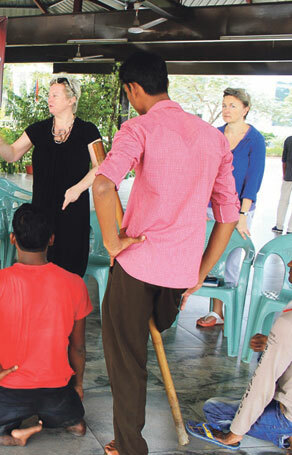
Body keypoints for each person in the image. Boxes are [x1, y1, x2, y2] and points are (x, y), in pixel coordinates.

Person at [92, 51, 239, 455]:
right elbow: (228, 214)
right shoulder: (214, 137)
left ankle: (129, 445)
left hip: (137, 266)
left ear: (132, 89)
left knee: (127, 359)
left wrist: (112, 242)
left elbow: (103, 187)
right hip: (178, 277)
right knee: (141, 345)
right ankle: (127, 440)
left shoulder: (138, 128)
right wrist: (199, 272)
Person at [0, 203, 90, 447]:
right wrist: (77, 385)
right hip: (56, 389)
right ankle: (61, 419)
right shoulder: (75, 283)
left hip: (9, 390)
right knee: (77, 427)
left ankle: (15, 437)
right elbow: (77, 348)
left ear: (13, 238)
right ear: (51, 239)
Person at [0, 74, 104, 276]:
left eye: (55, 95)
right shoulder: (39, 129)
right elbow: (12, 154)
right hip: (41, 213)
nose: (49, 99)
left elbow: (101, 165)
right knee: (41, 270)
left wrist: (77, 189)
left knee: (70, 269)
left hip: (72, 211)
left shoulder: (88, 131)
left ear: (72, 100)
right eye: (49, 95)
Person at [186, 261, 292, 451]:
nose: (290, 263)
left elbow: (263, 383)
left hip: (287, 417)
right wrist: (271, 342)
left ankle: (287, 436)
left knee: (214, 409)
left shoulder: (288, 323)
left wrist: (235, 433)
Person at [197, 87, 266, 328]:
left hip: (239, 209)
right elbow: (204, 173)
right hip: (209, 206)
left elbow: (254, 180)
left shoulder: (255, 140)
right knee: (210, 257)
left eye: (233, 106)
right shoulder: (214, 134)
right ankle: (216, 312)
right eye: (225, 105)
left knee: (232, 260)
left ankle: (230, 309)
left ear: (246, 110)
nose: (227, 110)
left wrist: (243, 215)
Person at [274, 136, 292, 235]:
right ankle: (291, 229)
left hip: (288, 176)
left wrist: (284, 174)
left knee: (283, 201)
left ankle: (279, 226)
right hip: (288, 176)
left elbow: (284, 160)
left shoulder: (289, 140)